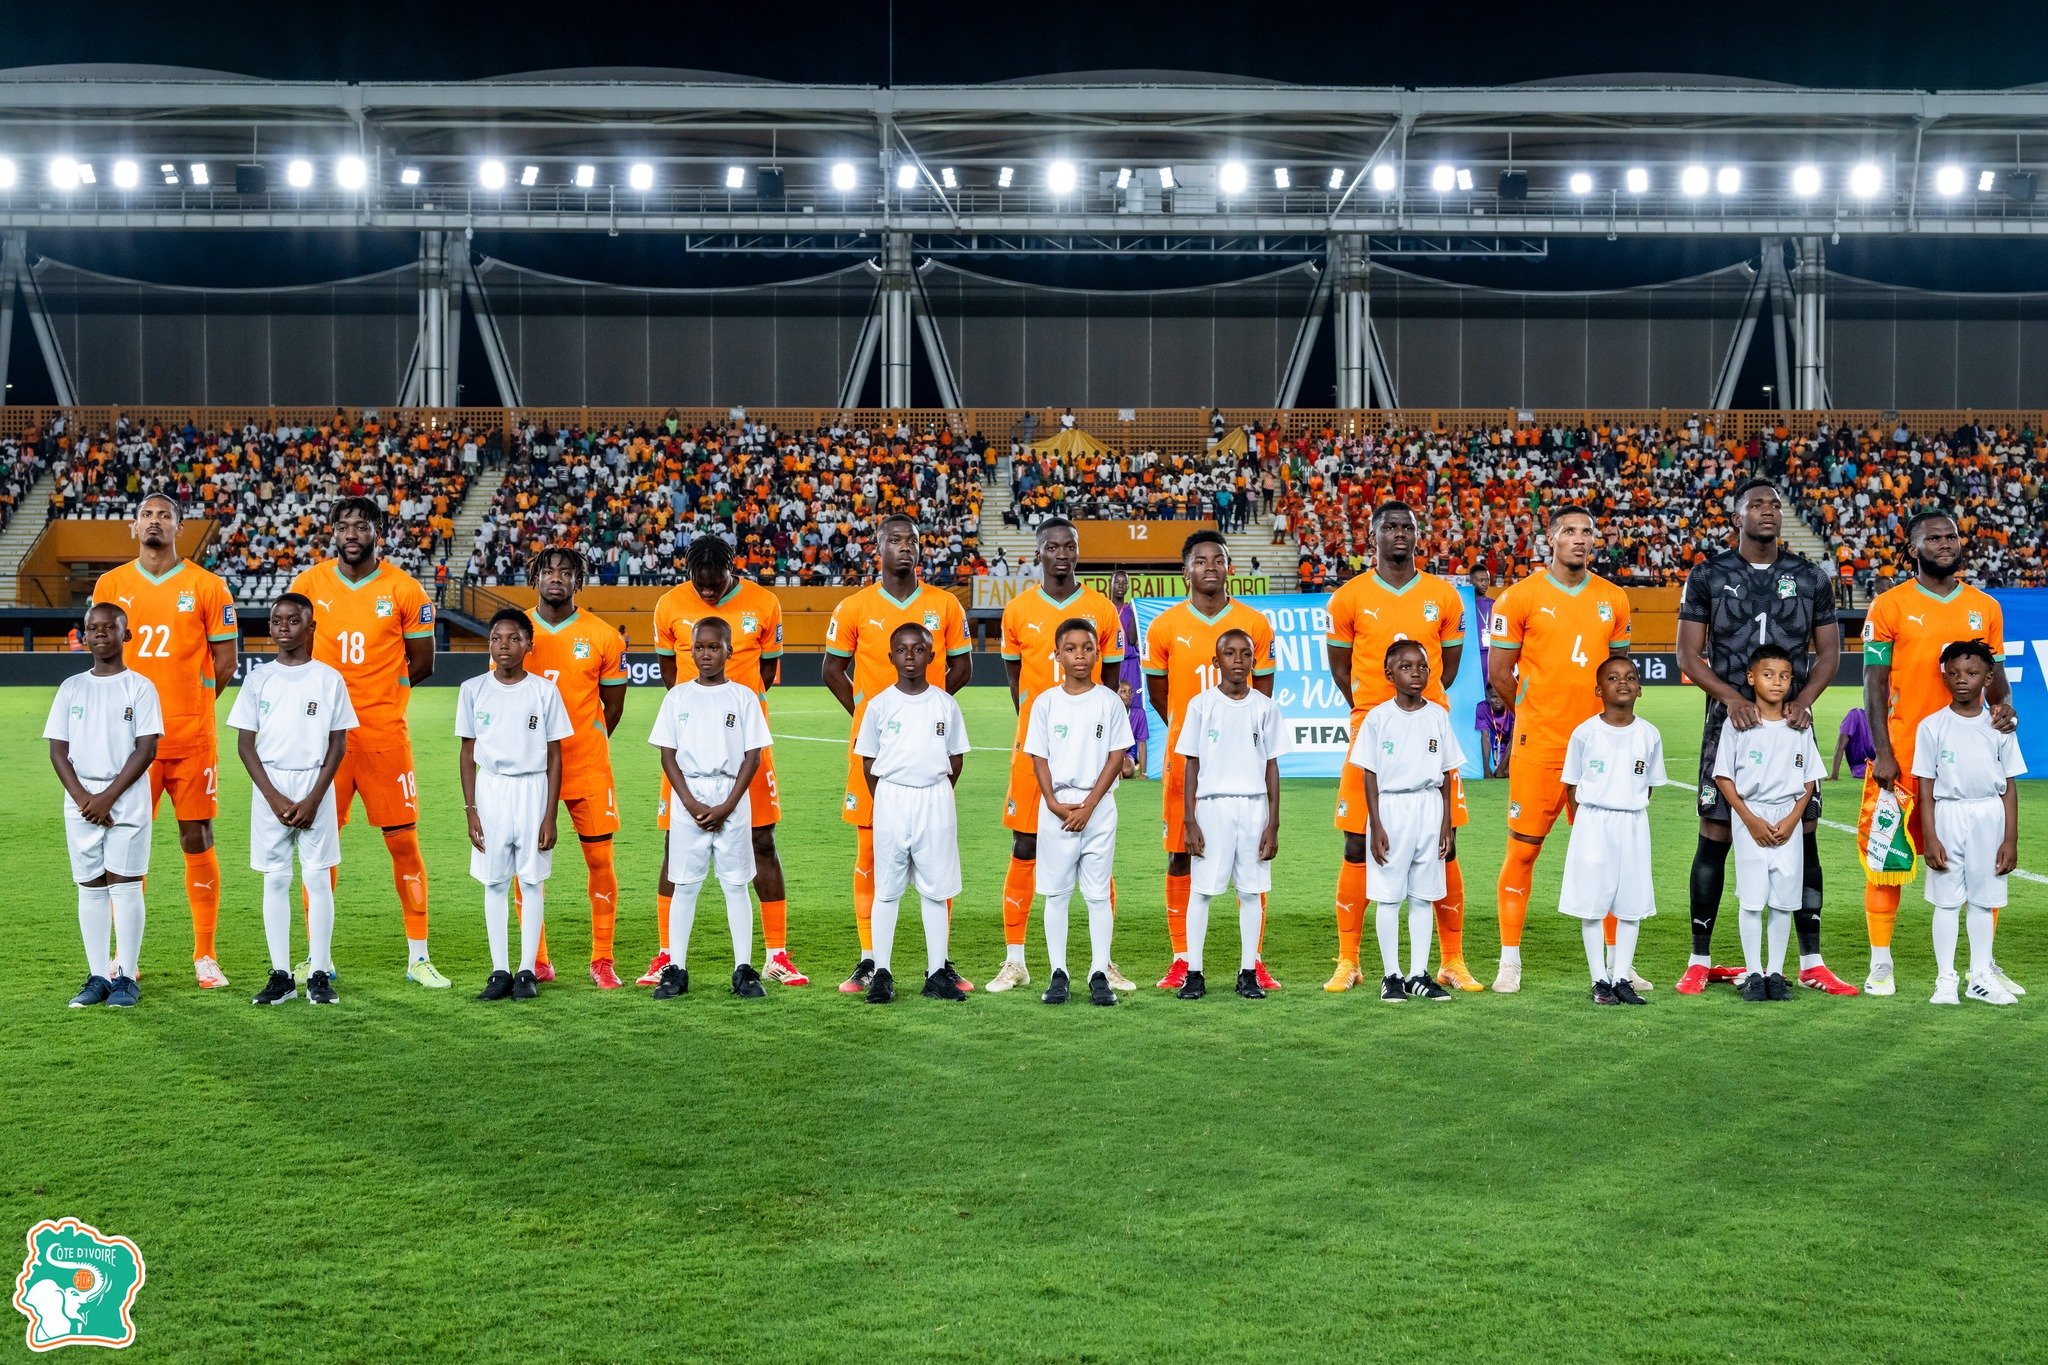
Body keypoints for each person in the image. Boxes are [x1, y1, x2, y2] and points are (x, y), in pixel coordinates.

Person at [1674, 479, 1854, 997]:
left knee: (1805, 833)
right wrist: (1731, 699)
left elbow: (1829, 654)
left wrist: (1805, 701)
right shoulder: (1708, 574)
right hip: (1727, 724)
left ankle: (1811, 961)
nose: (1768, 511)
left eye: (1774, 504)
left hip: (1792, 726)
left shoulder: (1810, 576)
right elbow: (1687, 654)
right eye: (1756, 504)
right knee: (1714, 833)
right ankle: (1699, 959)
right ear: (1738, 516)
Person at [1860, 510, 2019, 997]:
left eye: (1952, 535)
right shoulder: (1889, 605)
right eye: (1934, 538)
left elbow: (1995, 678)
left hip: (1969, 762)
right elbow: (1873, 682)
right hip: (1903, 756)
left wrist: (2006, 710)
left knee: (1982, 860)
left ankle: (1982, 968)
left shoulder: (1985, 607)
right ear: (1913, 548)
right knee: (1886, 860)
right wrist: (1882, 752)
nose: (1946, 543)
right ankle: (1881, 964)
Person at [289, 497, 446, 987]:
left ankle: (418, 956)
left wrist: (382, 697)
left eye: (361, 525)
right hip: (323, 741)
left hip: (383, 737)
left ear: (378, 531)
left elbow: (423, 663)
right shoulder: (308, 585)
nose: (351, 533)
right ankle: (318, 957)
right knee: (317, 849)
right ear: (333, 533)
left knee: (404, 843)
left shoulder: (404, 588)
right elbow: (295, 656)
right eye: (343, 526)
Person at [1322, 501, 1476, 994]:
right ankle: (1349, 960)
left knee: (1445, 845)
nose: (1399, 533)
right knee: (1356, 842)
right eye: (1389, 526)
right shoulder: (1348, 597)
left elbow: (1449, 668)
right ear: (1374, 536)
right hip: (1372, 727)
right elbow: (1341, 669)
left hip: (1429, 731)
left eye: (1406, 526)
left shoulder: (1443, 595)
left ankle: (1451, 960)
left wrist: (1418, 706)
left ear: (1417, 534)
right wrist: (1376, 713)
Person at [90, 492, 239, 990]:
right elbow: (103, 658)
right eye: (147, 515)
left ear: (180, 527)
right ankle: (125, 956)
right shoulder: (111, 585)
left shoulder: (208, 585)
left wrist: (191, 707)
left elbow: (226, 662)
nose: (155, 522)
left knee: (197, 836)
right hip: (130, 745)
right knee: (126, 843)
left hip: (191, 738)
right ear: (134, 527)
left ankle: (205, 954)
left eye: (165, 515)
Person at [821, 515, 972, 996]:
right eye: (895, 540)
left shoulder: (945, 604)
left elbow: (963, 667)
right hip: (876, 756)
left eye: (912, 541)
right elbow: (832, 670)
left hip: (924, 761)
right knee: (869, 853)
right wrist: (874, 720)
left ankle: (939, 963)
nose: (905, 547)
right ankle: (870, 960)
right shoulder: (853, 606)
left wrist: (924, 717)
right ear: (879, 547)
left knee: (935, 858)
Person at [644, 536, 805, 988]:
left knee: (762, 841)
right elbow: (669, 673)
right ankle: (666, 955)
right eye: (700, 584)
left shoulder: (765, 602)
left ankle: (775, 954)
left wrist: (732, 714)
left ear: (731, 568)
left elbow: (767, 673)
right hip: (691, 749)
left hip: (746, 744)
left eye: (716, 583)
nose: (708, 591)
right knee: (675, 846)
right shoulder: (668, 604)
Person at [1487, 507, 1634, 994]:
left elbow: (1618, 673)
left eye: (1587, 532)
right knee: (1523, 851)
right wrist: (1533, 714)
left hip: (1598, 750)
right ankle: (1509, 961)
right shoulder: (1519, 597)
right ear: (1551, 539)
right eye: (1569, 531)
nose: (1579, 538)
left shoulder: (1613, 598)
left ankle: (1617, 962)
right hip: (1540, 747)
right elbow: (1499, 673)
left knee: (1605, 856)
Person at [989, 518, 1127, 993]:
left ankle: (1102, 963)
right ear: (1039, 553)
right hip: (1038, 751)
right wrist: (1040, 732)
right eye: (1052, 547)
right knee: (1024, 846)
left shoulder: (1102, 609)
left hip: (1089, 754)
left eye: (1069, 546)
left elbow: (1111, 681)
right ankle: (1015, 960)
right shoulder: (1017, 610)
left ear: (1078, 551)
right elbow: (1014, 680)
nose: (1062, 554)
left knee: (1095, 852)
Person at [1144, 531, 1278, 991]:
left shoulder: (1255, 624)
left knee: (1251, 864)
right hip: (1187, 761)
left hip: (1242, 768)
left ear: (1229, 568)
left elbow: (1263, 698)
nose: (1210, 568)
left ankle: (1253, 961)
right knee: (1181, 854)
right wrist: (1195, 736)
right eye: (1200, 561)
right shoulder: (1164, 626)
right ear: (1186, 570)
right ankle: (1182, 959)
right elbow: (1159, 697)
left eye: (1218, 560)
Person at [228, 594, 355, 1007]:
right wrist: (272, 796)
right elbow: (245, 744)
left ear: (310, 626)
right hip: (271, 785)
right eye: (276, 620)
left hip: (316, 784)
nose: (284, 627)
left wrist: (314, 797)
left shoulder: (328, 678)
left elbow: (338, 743)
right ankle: (281, 974)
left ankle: (319, 971)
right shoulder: (259, 679)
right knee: (276, 879)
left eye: (293, 620)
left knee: (317, 879)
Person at [648, 618, 773, 1001]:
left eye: (714, 647)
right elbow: (667, 755)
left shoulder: (743, 697)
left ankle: (743, 969)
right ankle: (676, 968)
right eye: (699, 647)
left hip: (731, 795)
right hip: (689, 794)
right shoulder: (677, 697)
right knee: (685, 885)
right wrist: (689, 802)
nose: (705, 654)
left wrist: (728, 805)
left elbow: (753, 756)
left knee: (736, 885)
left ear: (728, 650)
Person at [521, 548, 629, 989]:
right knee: (528, 865)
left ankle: (602, 958)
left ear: (578, 582)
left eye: (566, 573)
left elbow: (613, 707)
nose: (556, 578)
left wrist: (584, 741)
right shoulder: (516, 630)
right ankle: (537, 959)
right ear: (536, 579)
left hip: (587, 766)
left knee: (600, 859)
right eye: (548, 571)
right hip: (529, 771)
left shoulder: (603, 636)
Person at [46, 602, 161, 1010]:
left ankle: (126, 976)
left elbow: (146, 748)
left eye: (109, 627)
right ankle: (98, 976)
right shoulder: (71, 687)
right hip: (81, 800)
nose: (99, 633)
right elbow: (58, 749)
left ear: (125, 634)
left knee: (125, 885)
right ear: (84, 634)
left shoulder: (140, 687)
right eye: (92, 627)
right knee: (91, 886)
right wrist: (83, 798)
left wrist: (107, 797)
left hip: (124, 798)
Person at [853, 624, 973, 1005]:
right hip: (892, 797)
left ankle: (936, 972)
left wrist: (936, 793)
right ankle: (882, 973)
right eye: (902, 650)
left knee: (935, 889)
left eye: (918, 649)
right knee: (886, 890)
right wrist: (887, 799)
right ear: (890, 657)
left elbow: (956, 758)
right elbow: (868, 760)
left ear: (931, 657)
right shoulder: (879, 705)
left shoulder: (945, 705)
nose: (910, 656)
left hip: (934, 799)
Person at [457, 610, 573, 1002]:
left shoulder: (544, 691)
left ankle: (526, 970)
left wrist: (550, 814)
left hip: (532, 788)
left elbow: (555, 754)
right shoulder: (473, 689)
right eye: (496, 638)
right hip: (491, 789)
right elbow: (467, 752)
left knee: (531, 880)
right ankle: (499, 971)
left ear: (528, 645)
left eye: (512, 638)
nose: (503, 645)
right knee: (494, 882)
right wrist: (471, 810)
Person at [1022, 618, 1135, 1007]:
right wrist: (1053, 803)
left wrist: (1089, 806)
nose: (1079, 655)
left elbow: (1116, 756)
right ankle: (1059, 973)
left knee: (1098, 894)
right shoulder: (1045, 702)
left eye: (1087, 648)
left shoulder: (1108, 701)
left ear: (1097, 653)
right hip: (1058, 808)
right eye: (1070, 649)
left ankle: (1098, 972)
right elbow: (1038, 756)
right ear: (1057, 655)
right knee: (1056, 894)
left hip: (1097, 807)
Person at [1176, 629, 1286, 1001]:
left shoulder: (1265, 708)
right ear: (1216, 660)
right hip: (1212, 808)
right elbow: (1191, 763)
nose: (1238, 661)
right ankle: (1194, 973)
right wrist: (1190, 819)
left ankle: (1248, 972)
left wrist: (1273, 823)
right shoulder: (1201, 705)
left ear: (1254, 660)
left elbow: (1271, 766)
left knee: (1251, 892)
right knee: (1202, 892)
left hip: (1254, 808)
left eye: (1245, 654)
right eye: (1229, 653)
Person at [1711, 644, 1825, 1003]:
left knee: (1784, 900)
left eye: (1784, 676)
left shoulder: (1799, 726)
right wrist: (1749, 820)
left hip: (1786, 817)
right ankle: (1753, 973)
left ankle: (1775, 973)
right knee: (1752, 899)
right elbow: (1723, 777)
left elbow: (1809, 780)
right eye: (1768, 674)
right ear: (1751, 678)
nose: (1777, 682)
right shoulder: (1738, 725)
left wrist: (1792, 820)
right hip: (1751, 817)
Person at [1915, 640, 2025, 1006]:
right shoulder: (1931, 727)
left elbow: (2009, 786)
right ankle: (1945, 980)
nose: (1963, 679)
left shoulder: (2000, 727)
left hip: (1989, 816)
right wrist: (1930, 837)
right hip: (1948, 815)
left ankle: (1980, 977)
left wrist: (2010, 839)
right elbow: (1925, 787)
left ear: (1988, 678)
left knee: (1983, 900)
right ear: (1944, 677)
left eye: (1972, 673)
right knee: (1947, 901)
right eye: (1955, 673)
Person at [1352, 640, 1461, 1004]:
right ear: (1389, 674)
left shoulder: (1438, 716)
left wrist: (1446, 824)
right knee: (1388, 896)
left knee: (1423, 896)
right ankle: (1392, 975)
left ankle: (1418, 974)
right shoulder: (1378, 718)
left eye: (1422, 667)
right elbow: (1369, 775)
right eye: (1406, 667)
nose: (1416, 673)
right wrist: (1376, 825)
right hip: (1392, 808)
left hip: (1428, 807)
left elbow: (1446, 773)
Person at [1559, 656, 1665, 1006]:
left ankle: (1621, 977)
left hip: (1633, 823)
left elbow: (1649, 785)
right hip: (1593, 823)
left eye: (1630, 677)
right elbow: (1571, 785)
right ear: (1598, 690)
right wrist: (1586, 823)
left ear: (1640, 688)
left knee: (1631, 906)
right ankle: (1599, 980)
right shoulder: (1585, 733)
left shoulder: (1649, 734)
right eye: (1613, 678)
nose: (1623, 683)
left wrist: (1627, 804)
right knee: (1592, 905)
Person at [1830, 706, 1877, 782]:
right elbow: (1841, 744)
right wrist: (1834, 775)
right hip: (1867, 768)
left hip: (1876, 766)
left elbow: (1840, 744)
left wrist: (1834, 775)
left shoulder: (1855, 715)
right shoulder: (1855, 715)